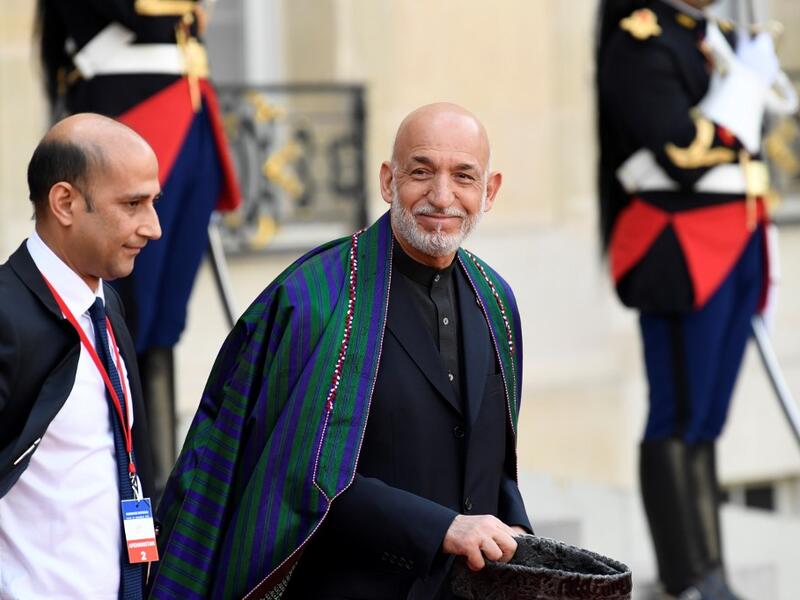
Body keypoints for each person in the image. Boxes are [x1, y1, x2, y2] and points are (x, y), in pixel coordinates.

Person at [149, 103, 532, 599]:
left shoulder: (497, 301)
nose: (442, 195)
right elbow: (291, 478)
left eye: (463, 176)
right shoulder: (314, 300)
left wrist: (515, 528)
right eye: (421, 172)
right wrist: (440, 528)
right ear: (388, 181)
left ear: (490, 191)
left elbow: (495, 462)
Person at [596, 0, 795, 597]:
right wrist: (742, 96)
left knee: (708, 421)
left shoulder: (717, 36)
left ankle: (713, 572)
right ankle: (687, 578)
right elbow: (679, 151)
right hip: (680, 245)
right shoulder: (640, 39)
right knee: (678, 416)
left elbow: (762, 135)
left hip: (739, 237)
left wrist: (757, 82)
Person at [35, 0, 242, 500]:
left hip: (190, 114)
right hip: (135, 115)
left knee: (164, 321)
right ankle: (132, 477)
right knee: (124, 312)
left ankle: (161, 476)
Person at [0, 114, 161, 598]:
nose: (152, 227)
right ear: (64, 203)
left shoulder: (106, 302)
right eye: (133, 204)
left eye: (153, 202)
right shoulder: (5, 313)